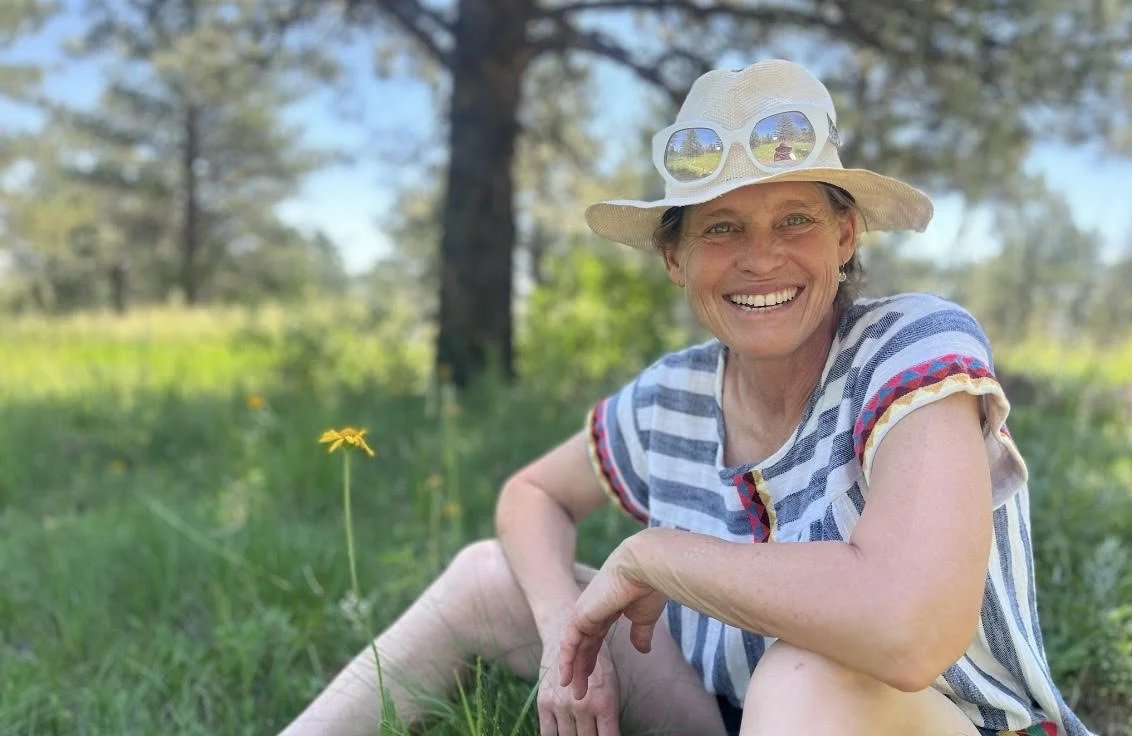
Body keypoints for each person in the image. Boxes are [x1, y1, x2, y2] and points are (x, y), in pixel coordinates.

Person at [279, 60, 1092, 736]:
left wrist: (653, 555)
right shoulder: (673, 392)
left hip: (949, 721)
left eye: (796, 218)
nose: (759, 257)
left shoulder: (914, 348)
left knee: (803, 676)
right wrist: (569, 625)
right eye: (719, 228)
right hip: (727, 719)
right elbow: (531, 495)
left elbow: (908, 631)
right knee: (490, 578)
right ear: (674, 257)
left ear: (847, 238)